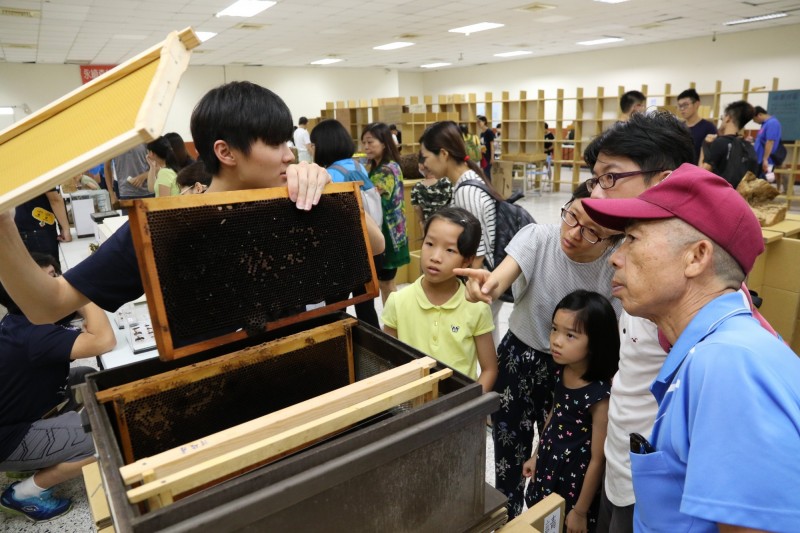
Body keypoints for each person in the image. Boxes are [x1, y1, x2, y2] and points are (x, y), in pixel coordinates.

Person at [0, 81, 333, 326]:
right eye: (275, 143)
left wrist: (330, 190)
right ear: (225, 152)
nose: (289, 155)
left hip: (297, 379)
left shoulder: (290, 203)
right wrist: (3, 225)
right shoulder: (163, 227)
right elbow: (47, 305)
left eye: (288, 142)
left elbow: (374, 247)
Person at [581, 164, 800, 532]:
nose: (615, 257)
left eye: (632, 239)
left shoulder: (727, 365)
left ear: (696, 257)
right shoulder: (712, 351)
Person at [455, 181, 622, 520]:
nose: (574, 233)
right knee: (508, 454)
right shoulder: (539, 237)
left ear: (613, 237)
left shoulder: (617, 264)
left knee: (562, 457)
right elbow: (499, 278)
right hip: (520, 358)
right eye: (571, 216)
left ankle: (550, 519)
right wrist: (483, 287)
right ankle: (508, 520)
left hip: (579, 373)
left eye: (592, 232)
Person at [581, 110, 693, 533]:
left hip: (651, 480)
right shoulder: (636, 256)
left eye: (610, 176)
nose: (599, 191)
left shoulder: (684, 279)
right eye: (596, 179)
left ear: (663, 179)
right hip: (619, 457)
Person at [0, 252, 116, 523]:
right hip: (8, 438)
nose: (56, 287)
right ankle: (24, 494)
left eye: (55, 276)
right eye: (48, 281)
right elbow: (104, 341)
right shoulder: (35, 334)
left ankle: (37, 457)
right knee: (106, 436)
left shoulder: (23, 321)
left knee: (86, 377)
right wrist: (82, 289)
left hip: (17, 414)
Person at [522, 290, 620, 533]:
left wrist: (580, 511)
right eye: (554, 329)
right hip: (548, 465)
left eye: (570, 335)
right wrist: (536, 455)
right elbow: (553, 416)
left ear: (596, 342)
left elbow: (599, 459)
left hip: (575, 482)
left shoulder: (600, 396)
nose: (556, 340)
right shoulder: (562, 370)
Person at [382, 206, 498, 393]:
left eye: (450, 250)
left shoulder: (476, 307)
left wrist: (469, 406)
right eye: (429, 244)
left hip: (458, 409)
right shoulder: (398, 301)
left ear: (467, 260)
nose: (435, 257)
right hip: (410, 406)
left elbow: (489, 369)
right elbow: (385, 361)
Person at [309, 118, 384, 328]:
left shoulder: (332, 174)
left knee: (335, 309)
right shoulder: (357, 165)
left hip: (346, 253)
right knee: (366, 307)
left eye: (313, 144)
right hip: (370, 246)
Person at [361, 122, 410, 304]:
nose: (366, 147)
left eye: (370, 142)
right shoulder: (378, 166)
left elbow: (372, 194)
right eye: (364, 142)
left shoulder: (387, 169)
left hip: (389, 234)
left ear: (383, 143)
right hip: (389, 231)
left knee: (387, 284)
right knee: (386, 283)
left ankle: (393, 327)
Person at [700, 100, 758, 188]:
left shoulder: (719, 142)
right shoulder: (749, 146)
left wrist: (705, 146)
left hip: (719, 197)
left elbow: (701, 175)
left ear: (728, 118)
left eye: (722, 117)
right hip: (738, 198)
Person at [14, 189, 72, 269]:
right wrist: (65, 228)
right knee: (49, 273)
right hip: (39, 229)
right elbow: (54, 199)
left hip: (15, 229)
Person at [410, 152, 453, 232]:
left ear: (421, 166)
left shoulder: (417, 188)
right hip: (448, 226)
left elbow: (417, 210)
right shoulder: (447, 182)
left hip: (429, 227)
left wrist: (422, 223)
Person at [676, 88, 716, 164]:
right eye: (679, 106)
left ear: (697, 104)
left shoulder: (709, 128)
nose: (682, 109)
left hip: (698, 172)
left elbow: (711, 156)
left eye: (685, 105)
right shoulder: (678, 127)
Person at [753, 105, 784, 179]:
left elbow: (770, 142)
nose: (755, 122)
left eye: (754, 119)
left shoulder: (772, 123)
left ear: (759, 115)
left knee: (763, 183)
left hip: (766, 160)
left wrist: (765, 159)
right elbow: (762, 139)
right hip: (759, 159)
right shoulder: (765, 124)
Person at [477, 115, 496, 181]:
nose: (478, 123)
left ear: (484, 122)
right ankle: (487, 189)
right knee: (485, 174)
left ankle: (488, 189)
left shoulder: (489, 132)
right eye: (477, 122)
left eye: (479, 122)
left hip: (488, 156)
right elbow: (482, 145)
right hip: (483, 156)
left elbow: (492, 145)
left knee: (487, 174)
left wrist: (492, 157)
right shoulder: (482, 133)